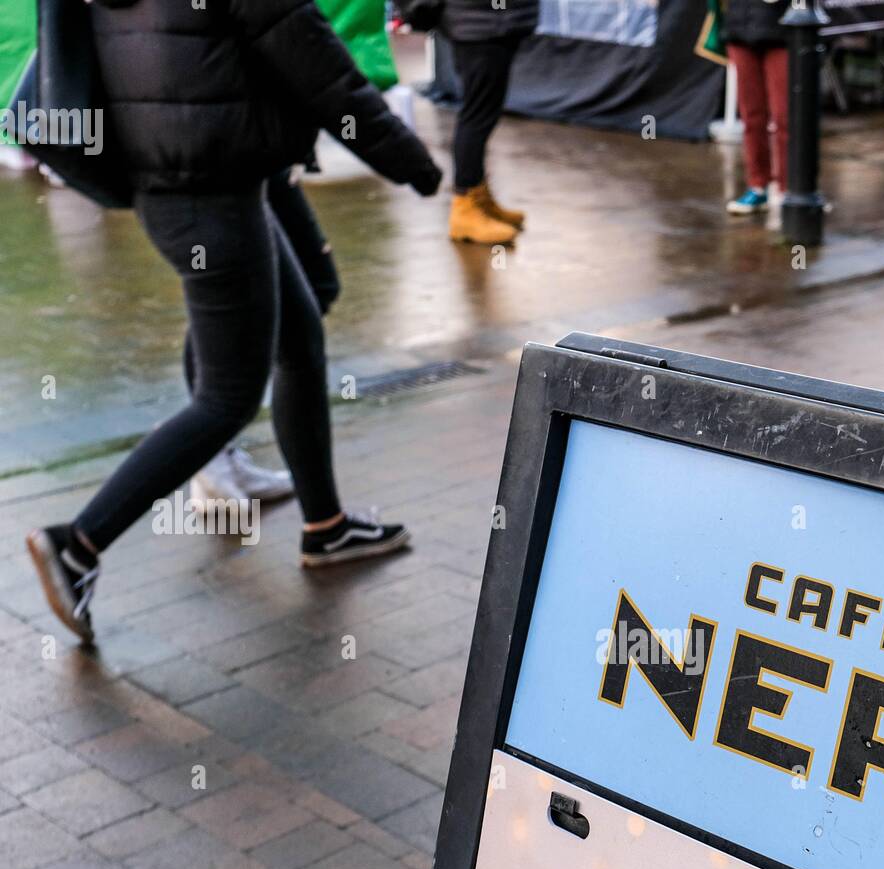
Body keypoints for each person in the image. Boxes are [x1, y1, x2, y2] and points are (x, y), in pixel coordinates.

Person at [26, 0, 443, 645]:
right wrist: (407, 156)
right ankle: (78, 544)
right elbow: (317, 66)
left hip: (181, 181)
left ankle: (326, 528)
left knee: (299, 336)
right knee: (228, 396)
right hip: (212, 195)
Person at [189, 167, 340, 508]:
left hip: (253, 152)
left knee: (304, 295)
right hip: (227, 157)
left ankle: (208, 450)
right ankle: (200, 448)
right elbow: (58, 137)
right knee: (243, 296)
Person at [398, 0, 537, 245]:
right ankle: (465, 206)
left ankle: (477, 195)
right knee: (477, 114)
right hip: (480, 21)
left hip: (492, 19)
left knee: (485, 112)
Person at [721, 0, 789, 216]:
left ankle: (790, 189)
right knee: (752, 117)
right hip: (740, 30)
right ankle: (758, 186)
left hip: (782, 34)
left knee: (785, 117)